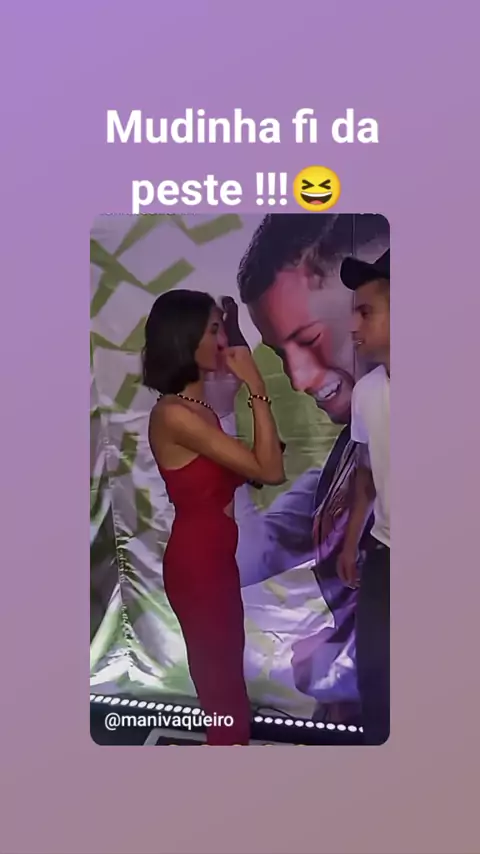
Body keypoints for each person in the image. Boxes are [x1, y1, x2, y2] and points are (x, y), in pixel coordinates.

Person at [142, 289, 285, 745]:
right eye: (214, 330)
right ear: (185, 339)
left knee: (227, 686)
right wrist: (257, 386)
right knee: (221, 693)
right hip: (198, 565)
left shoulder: (201, 409)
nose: (223, 341)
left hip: (217, 559)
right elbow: (271, 470)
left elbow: (251, 472)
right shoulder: (173, 415)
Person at [337, 250, 390, 745]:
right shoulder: (367, 392)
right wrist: (353, 539)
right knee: (377, 682)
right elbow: (367, 473)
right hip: (386, 554)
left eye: (366, 311)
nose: (353, 325)